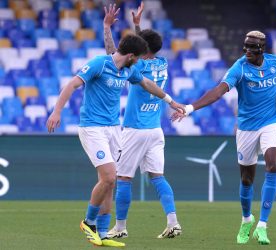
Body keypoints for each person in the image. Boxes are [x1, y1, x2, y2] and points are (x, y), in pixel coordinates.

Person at [46, 6, 184, 247]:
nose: (139, 60)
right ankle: (89, 223)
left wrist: (172, 102)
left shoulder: (127, 70)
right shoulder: (100, 64)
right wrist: (57, 111)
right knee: (111, 176)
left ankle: (103, 233)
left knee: (111, 181)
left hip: (115, 129)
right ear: (132, 57)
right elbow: (72, 84)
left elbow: (148, 83)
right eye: (137, 57)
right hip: (93, 127)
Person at [172, 31, 276, 245]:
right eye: (245, 47)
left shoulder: (275, 62)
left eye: (251, 47)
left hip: (271, 123)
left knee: (273, 166)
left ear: (262, 48)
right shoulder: (240, 68)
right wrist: (189, 108)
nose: (247, 51)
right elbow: (218, 92)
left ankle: (262, 226)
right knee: (246, 179)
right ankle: (246, 220)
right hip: (246, 128)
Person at [103, 2, 182, 239]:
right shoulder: (162, 64)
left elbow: (113, 55)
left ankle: (120, 227)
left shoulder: (135, 66)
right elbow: (144, 49)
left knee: (124, 178)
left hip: (135, 129)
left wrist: (108, 28)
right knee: (158, 177)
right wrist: (138, 25)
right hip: (155, 130)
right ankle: (173, 222)